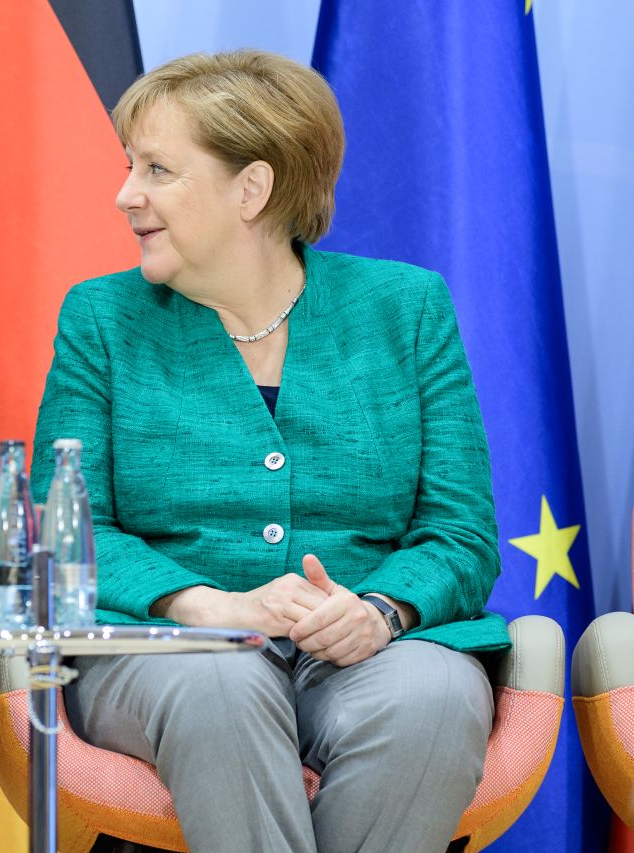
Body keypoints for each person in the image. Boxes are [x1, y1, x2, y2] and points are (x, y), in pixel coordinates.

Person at [32, 49, 508, 853]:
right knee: (220, 683)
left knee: (432, 697)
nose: (126, 195)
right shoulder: (102, 318)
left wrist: (380, 611)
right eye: (129, 166)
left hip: (367, 646)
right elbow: (61, 527)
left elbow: (459, 531)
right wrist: (208, 606)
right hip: (171, 654)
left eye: (157, 169)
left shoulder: (406, 308)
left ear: (251, 189)